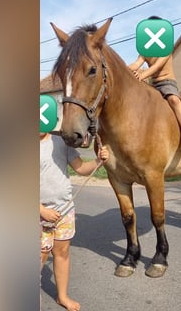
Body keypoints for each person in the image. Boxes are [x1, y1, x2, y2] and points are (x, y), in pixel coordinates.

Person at [40, 132, 109, 311]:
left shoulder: (60, 143)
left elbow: (80, 168)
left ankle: (62, 296)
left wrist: (98, 161)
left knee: (62, 253)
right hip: (39, 213)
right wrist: (42, 210)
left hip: (64, 210)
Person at [128, 16, 181, 150]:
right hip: (153, 84)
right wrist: (123, 69)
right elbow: (136, 64)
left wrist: (142, 75)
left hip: (167, 82)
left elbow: (157, 67)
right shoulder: (144, 51)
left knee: (174, 100)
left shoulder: (166, 49)